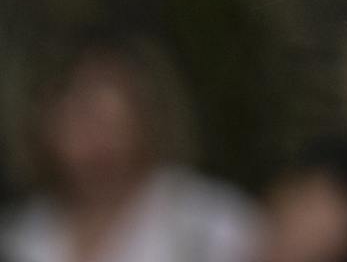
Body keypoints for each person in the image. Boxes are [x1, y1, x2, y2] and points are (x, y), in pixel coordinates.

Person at [0, 29, 261, 262]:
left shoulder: (208, 220)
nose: (94, 136)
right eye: (77, 117)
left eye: (107, 118)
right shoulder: (21, 237)